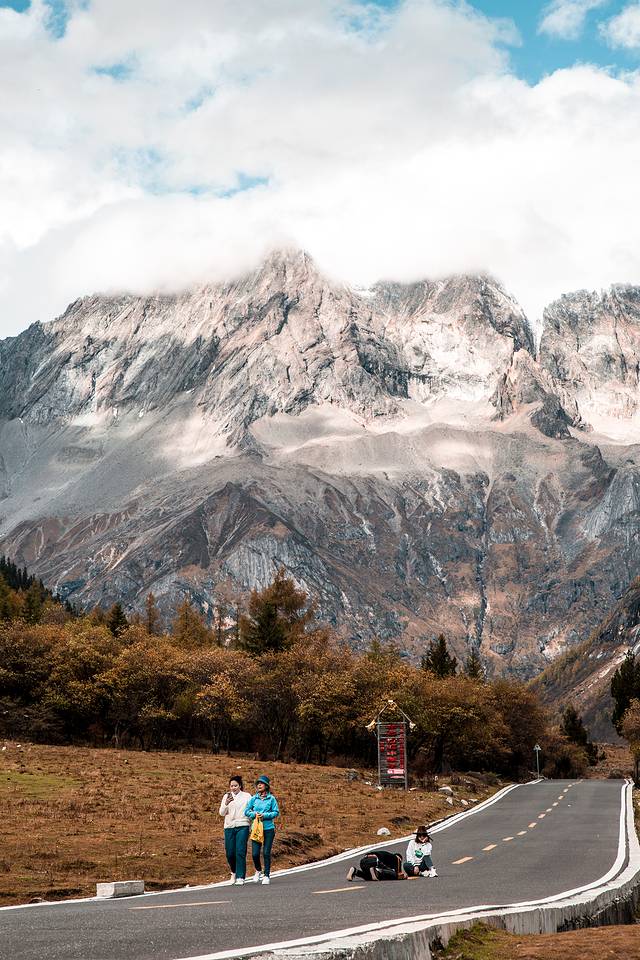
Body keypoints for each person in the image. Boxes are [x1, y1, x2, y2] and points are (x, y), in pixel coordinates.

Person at [244, 775, 280, 885]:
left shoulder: (271, 799)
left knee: (266, 852)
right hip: (256, 828)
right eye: (258, 783)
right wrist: (254, 814)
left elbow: (276, 812)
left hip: (268, 828)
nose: (259, 785)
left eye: (261, 783)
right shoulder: (254, 798)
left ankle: (266, 875)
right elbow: (246, 811)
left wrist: (265, 815)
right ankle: (258, 870)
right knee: (255, 854)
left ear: (266, 786)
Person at [219, 775, 252, 885]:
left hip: (243, 825)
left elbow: (251, 811)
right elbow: (221, 813)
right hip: (229, 827)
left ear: (240, 786)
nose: (233, 788)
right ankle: (233, 872)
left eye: (235, 786)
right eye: (231, 786)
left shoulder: (247, 796)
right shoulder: (226, 796)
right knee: (230, 853)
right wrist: (226, 804)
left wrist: (251, 825)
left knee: (240, 851)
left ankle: (240, 876)